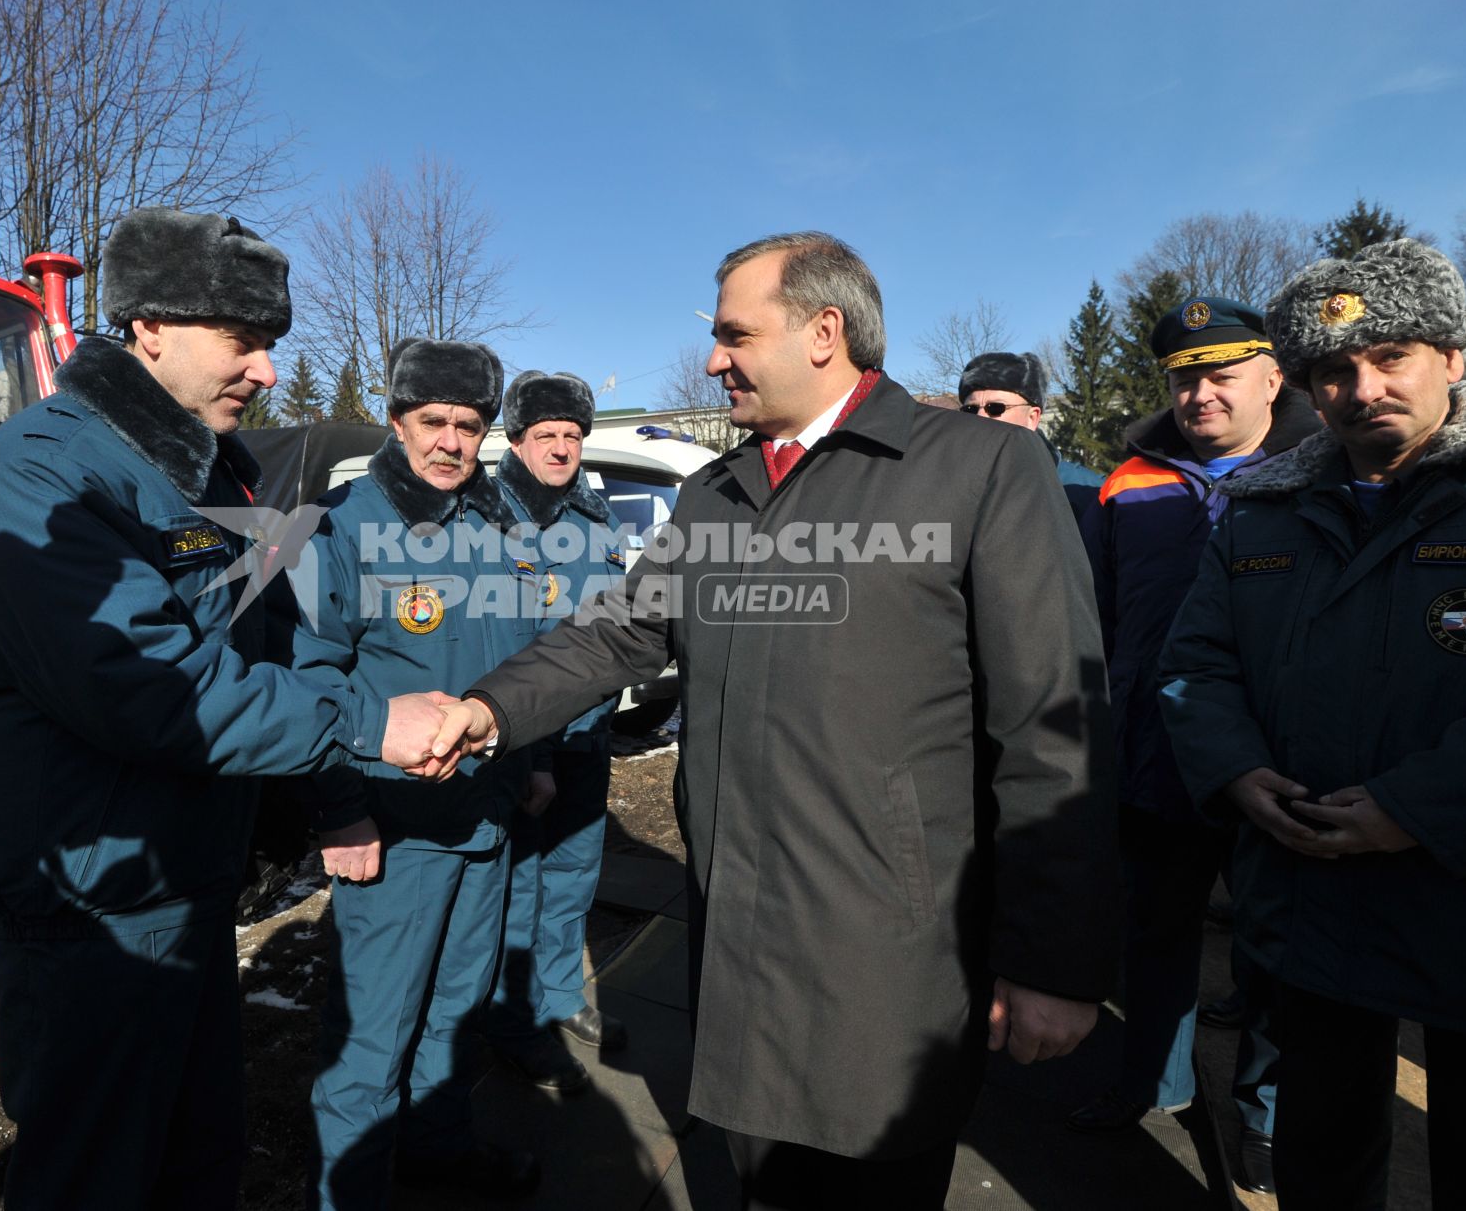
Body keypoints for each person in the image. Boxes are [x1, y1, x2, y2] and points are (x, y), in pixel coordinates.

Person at [434, 232, 1118, 1210]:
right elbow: (620, 634)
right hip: (739, 942)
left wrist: (1055, 957)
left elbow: (1054, 719)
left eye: (733, 334)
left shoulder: (980, 468)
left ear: (824, 331)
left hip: (888, 958)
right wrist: (484, 707)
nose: (713, 359)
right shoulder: (718, 490)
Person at [0, 208, 457, 1210]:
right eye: (243, 340)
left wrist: (327, 792)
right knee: (96, 1174)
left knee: (193, 1160)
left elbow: (270, 644)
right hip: (95, 901)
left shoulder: (215, 471)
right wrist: (371, 723)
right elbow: (149, 685)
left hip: (189, 881)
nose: (265, 370)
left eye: (271, 344)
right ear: (150, 324)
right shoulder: (42, 472)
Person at [1160, 239, 1466, 1210]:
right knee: (1322, 1161)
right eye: (1332, 370)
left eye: (1390, 356)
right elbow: (1197, 666)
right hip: (1311, 892)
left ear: (1452, 356)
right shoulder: (1262, 510)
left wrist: (1412, 807)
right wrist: (1236, 771)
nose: (1362, 388)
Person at [281, 338, 542, 1208]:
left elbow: (524, 655)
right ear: (398, 421)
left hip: (486, 820)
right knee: (374, 1039)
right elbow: (310, 680)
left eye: (470, 425)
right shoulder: (342, 527)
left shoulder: (500, 519)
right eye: (433, 421)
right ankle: (351, 1192)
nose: (451, 441)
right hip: (393, 829)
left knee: (456, 1019)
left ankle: (437, 1161)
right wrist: (338, 812)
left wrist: (526, 766)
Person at [1067, 297, 1319, 1193]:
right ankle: (1152, 1086)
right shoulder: (1125, 482)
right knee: (1156, 934)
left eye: (1222, 374)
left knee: (1271, 953)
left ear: (1272, 377)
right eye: (1185, 377)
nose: (1200, 393)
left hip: (1282, 764)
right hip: (1154, 755)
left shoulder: (1317, 470)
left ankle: (1265, 1119)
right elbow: (1094, 620)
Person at [485, 369, 629, 1094]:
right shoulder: (495, 516)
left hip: (588, 736)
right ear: (516, 439)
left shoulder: (594, 520)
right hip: (528, 741)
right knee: (522, 882)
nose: (563, 447)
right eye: (547, 434)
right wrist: (533, 751)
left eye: (573, 435)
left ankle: (561, 997)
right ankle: (515, 1022)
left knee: (573, 871)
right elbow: (514, 644)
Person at [958, 350, 1104, 516]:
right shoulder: (944, 484)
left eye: (996, 408)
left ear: (1032, 417)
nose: (980, 417)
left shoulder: (1087, 493)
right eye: (970, 410)